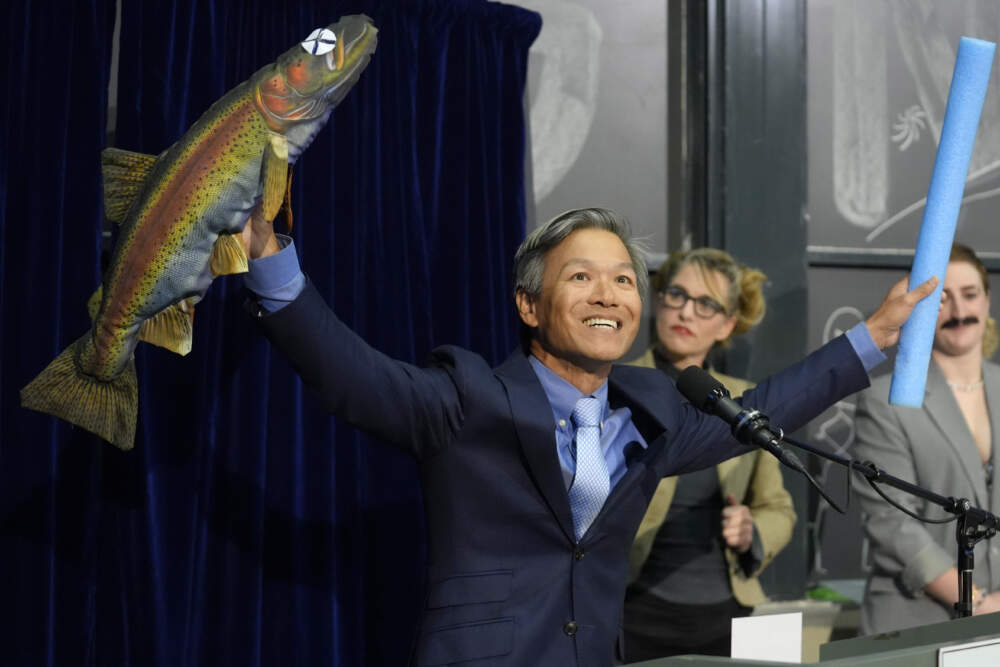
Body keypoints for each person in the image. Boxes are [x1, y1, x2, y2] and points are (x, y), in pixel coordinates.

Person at [240, 207, 932, 666]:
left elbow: (770, 405)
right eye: (582, 277)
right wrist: (270, 258)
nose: (609, 294)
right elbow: (351, 375)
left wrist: (871, 337)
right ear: (529, 304)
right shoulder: (467, 398)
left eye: (624, 279)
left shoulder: (655, 411)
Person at [623, 248, 794, 661]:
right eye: (677, 294)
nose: (686, 313)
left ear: (727, 325)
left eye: (706, 304)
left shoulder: (746, 402)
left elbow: (779, 509)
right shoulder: (616, 386)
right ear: (659, 300)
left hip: (728, 621)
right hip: (629, 614)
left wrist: (752, 529)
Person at [854, 243, 1000, 634]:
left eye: (970, 295)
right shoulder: (886, 400)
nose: (958, 312)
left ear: (987, 302)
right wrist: (978, 603)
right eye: (942, 299)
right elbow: (889, 518)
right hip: (915, 621)